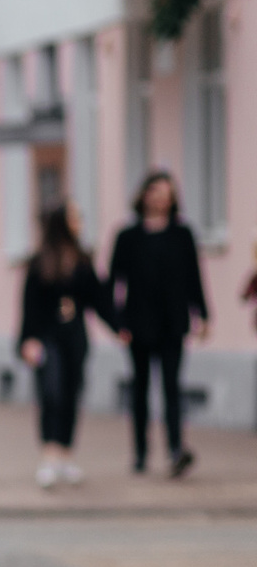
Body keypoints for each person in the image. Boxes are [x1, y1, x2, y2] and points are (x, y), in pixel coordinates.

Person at [106, 170, 209, 478]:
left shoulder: (183, 234)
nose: (162, 198)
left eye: (168, 193)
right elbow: (112, 282)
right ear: (144, 195)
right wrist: (117, 322)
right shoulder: (127, 237)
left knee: (171, 387)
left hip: (173, 323)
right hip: (137, 323)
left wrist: (202, 314)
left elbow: (194, 278)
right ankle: (140, 452)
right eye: (156, 191)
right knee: (140, 389)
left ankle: (176, 449)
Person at [17, 206, 112, 490]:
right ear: (61, 222)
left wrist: (120, 326)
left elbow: (98, 299)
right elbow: (29, 306)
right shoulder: (39, 262)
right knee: (50, 392)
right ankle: (49, 456)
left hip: (74, 339)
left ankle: (67, 455)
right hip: (47, 339)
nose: (80, 223)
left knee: (72, 392)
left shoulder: (82, 260)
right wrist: (27, 340)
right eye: (74, 218)